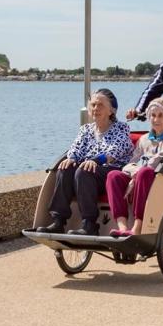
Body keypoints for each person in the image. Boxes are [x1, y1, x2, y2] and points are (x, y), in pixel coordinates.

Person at [35, 88, 132, 236]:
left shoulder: (121, 128)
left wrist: (97, 160)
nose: (95, 108)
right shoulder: (85, 130)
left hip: (111, 171)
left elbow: (116, 150)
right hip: (86, 173)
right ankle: (58, 221)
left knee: (84, 170)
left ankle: (90, 224)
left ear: (111, 110)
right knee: (66, 167)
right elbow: (75, 149)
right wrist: (72, 158)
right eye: (93, 105)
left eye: (100, 105)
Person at [106, 97, 163, 237]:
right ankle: (123, 226)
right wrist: (134, 172)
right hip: (140, 175)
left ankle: (137, 228)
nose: (155, 119)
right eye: (152, 115)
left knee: (145, 172)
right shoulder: (144, 139)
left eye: (160, 115)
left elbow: (159, 158)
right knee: (113, 175)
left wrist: (138, 172)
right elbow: (131, 162)